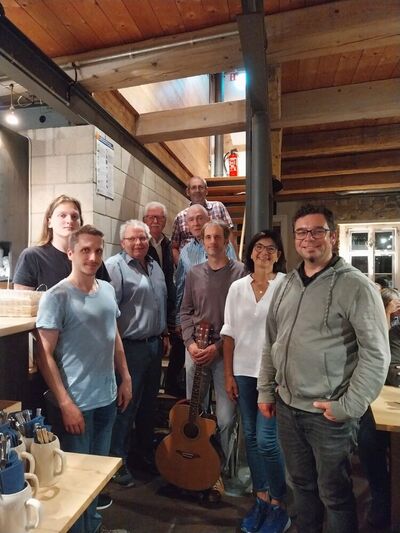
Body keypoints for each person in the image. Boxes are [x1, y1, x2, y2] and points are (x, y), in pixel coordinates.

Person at [258, 204, 390, 533]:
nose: (309, 238)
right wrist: (266, 389)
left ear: (332, 236)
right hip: (288, 407)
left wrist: (349, 405)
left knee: (334, 493)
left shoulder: (356, 286)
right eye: (302, 232)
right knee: (300, 485)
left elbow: (376, 353)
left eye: (317, 231)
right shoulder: (286, 284)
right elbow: (270, 341)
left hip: (327, 413)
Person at [35, 225, 132, 533]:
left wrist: (125, 377)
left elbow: (113, 336)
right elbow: (43, 354)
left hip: (106, 398)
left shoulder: (106, 289)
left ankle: (95, 527)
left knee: (96, 478)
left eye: (98, 251)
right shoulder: (57, 296)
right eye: (85, 250)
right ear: (71, 253)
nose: (92, 257)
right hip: (76, 404)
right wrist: (65, 403)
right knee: (75, 482)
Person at [221, 230, 290, 533]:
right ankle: (261, 498)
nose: (264, 253)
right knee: (250, 437)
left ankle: (278, 503)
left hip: (273, 377)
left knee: (268, 441)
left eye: (271, 249)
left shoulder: (286, 285)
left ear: (278, 255)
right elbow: (229, 333)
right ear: (249, 253)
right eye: (258, 248)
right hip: (243, 372)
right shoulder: (237, 287)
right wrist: (227, 375)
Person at [180, 220, 246, 500]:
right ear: (203, 241)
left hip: (225, 353)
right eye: (207, 237)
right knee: (193, 413)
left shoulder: (239, 271)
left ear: (227, 240)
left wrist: (217, 347)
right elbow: (184, 312)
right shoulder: (194, 273)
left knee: (226, 417)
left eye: (217, 237)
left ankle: (221, 470)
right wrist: (190, 343)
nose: (212, 242)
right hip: (196, 349)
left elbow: (242, 317)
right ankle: (196, 465)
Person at [106, 220, 168, 487]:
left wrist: (164, 334)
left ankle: (143, 455)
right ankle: (116, 462)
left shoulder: (154, 267)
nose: (139, 243)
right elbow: (110, 313)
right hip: (129, 348)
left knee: (148, 406)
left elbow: (160, 303)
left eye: (143, 238)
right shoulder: (114, 267)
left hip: (154, 345)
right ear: (123, 242)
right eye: (133, 239)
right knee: (125, 406)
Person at [358, 287, 400, 529]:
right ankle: (382, 498)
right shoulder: (396, 333)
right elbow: (393, 372)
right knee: (368, 439)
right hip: (389, 406)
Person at [13, 194, 110, 290]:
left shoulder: (92, 259)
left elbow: (105, 296)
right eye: (62, 215)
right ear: (49, 222)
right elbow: (21, 303)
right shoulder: (32, 257)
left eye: (74, 216)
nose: (69, 220)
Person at [171, 175, 236, 264]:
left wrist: (234, 260)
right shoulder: (180, 217)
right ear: (188, 192)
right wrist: (183, 265)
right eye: (193, 188)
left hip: (218, 262)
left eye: (200, 187)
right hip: (190, 265)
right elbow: (174, 246)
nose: (197, 190)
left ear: (206, 191)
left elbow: (229, 235)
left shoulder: (218, 207)